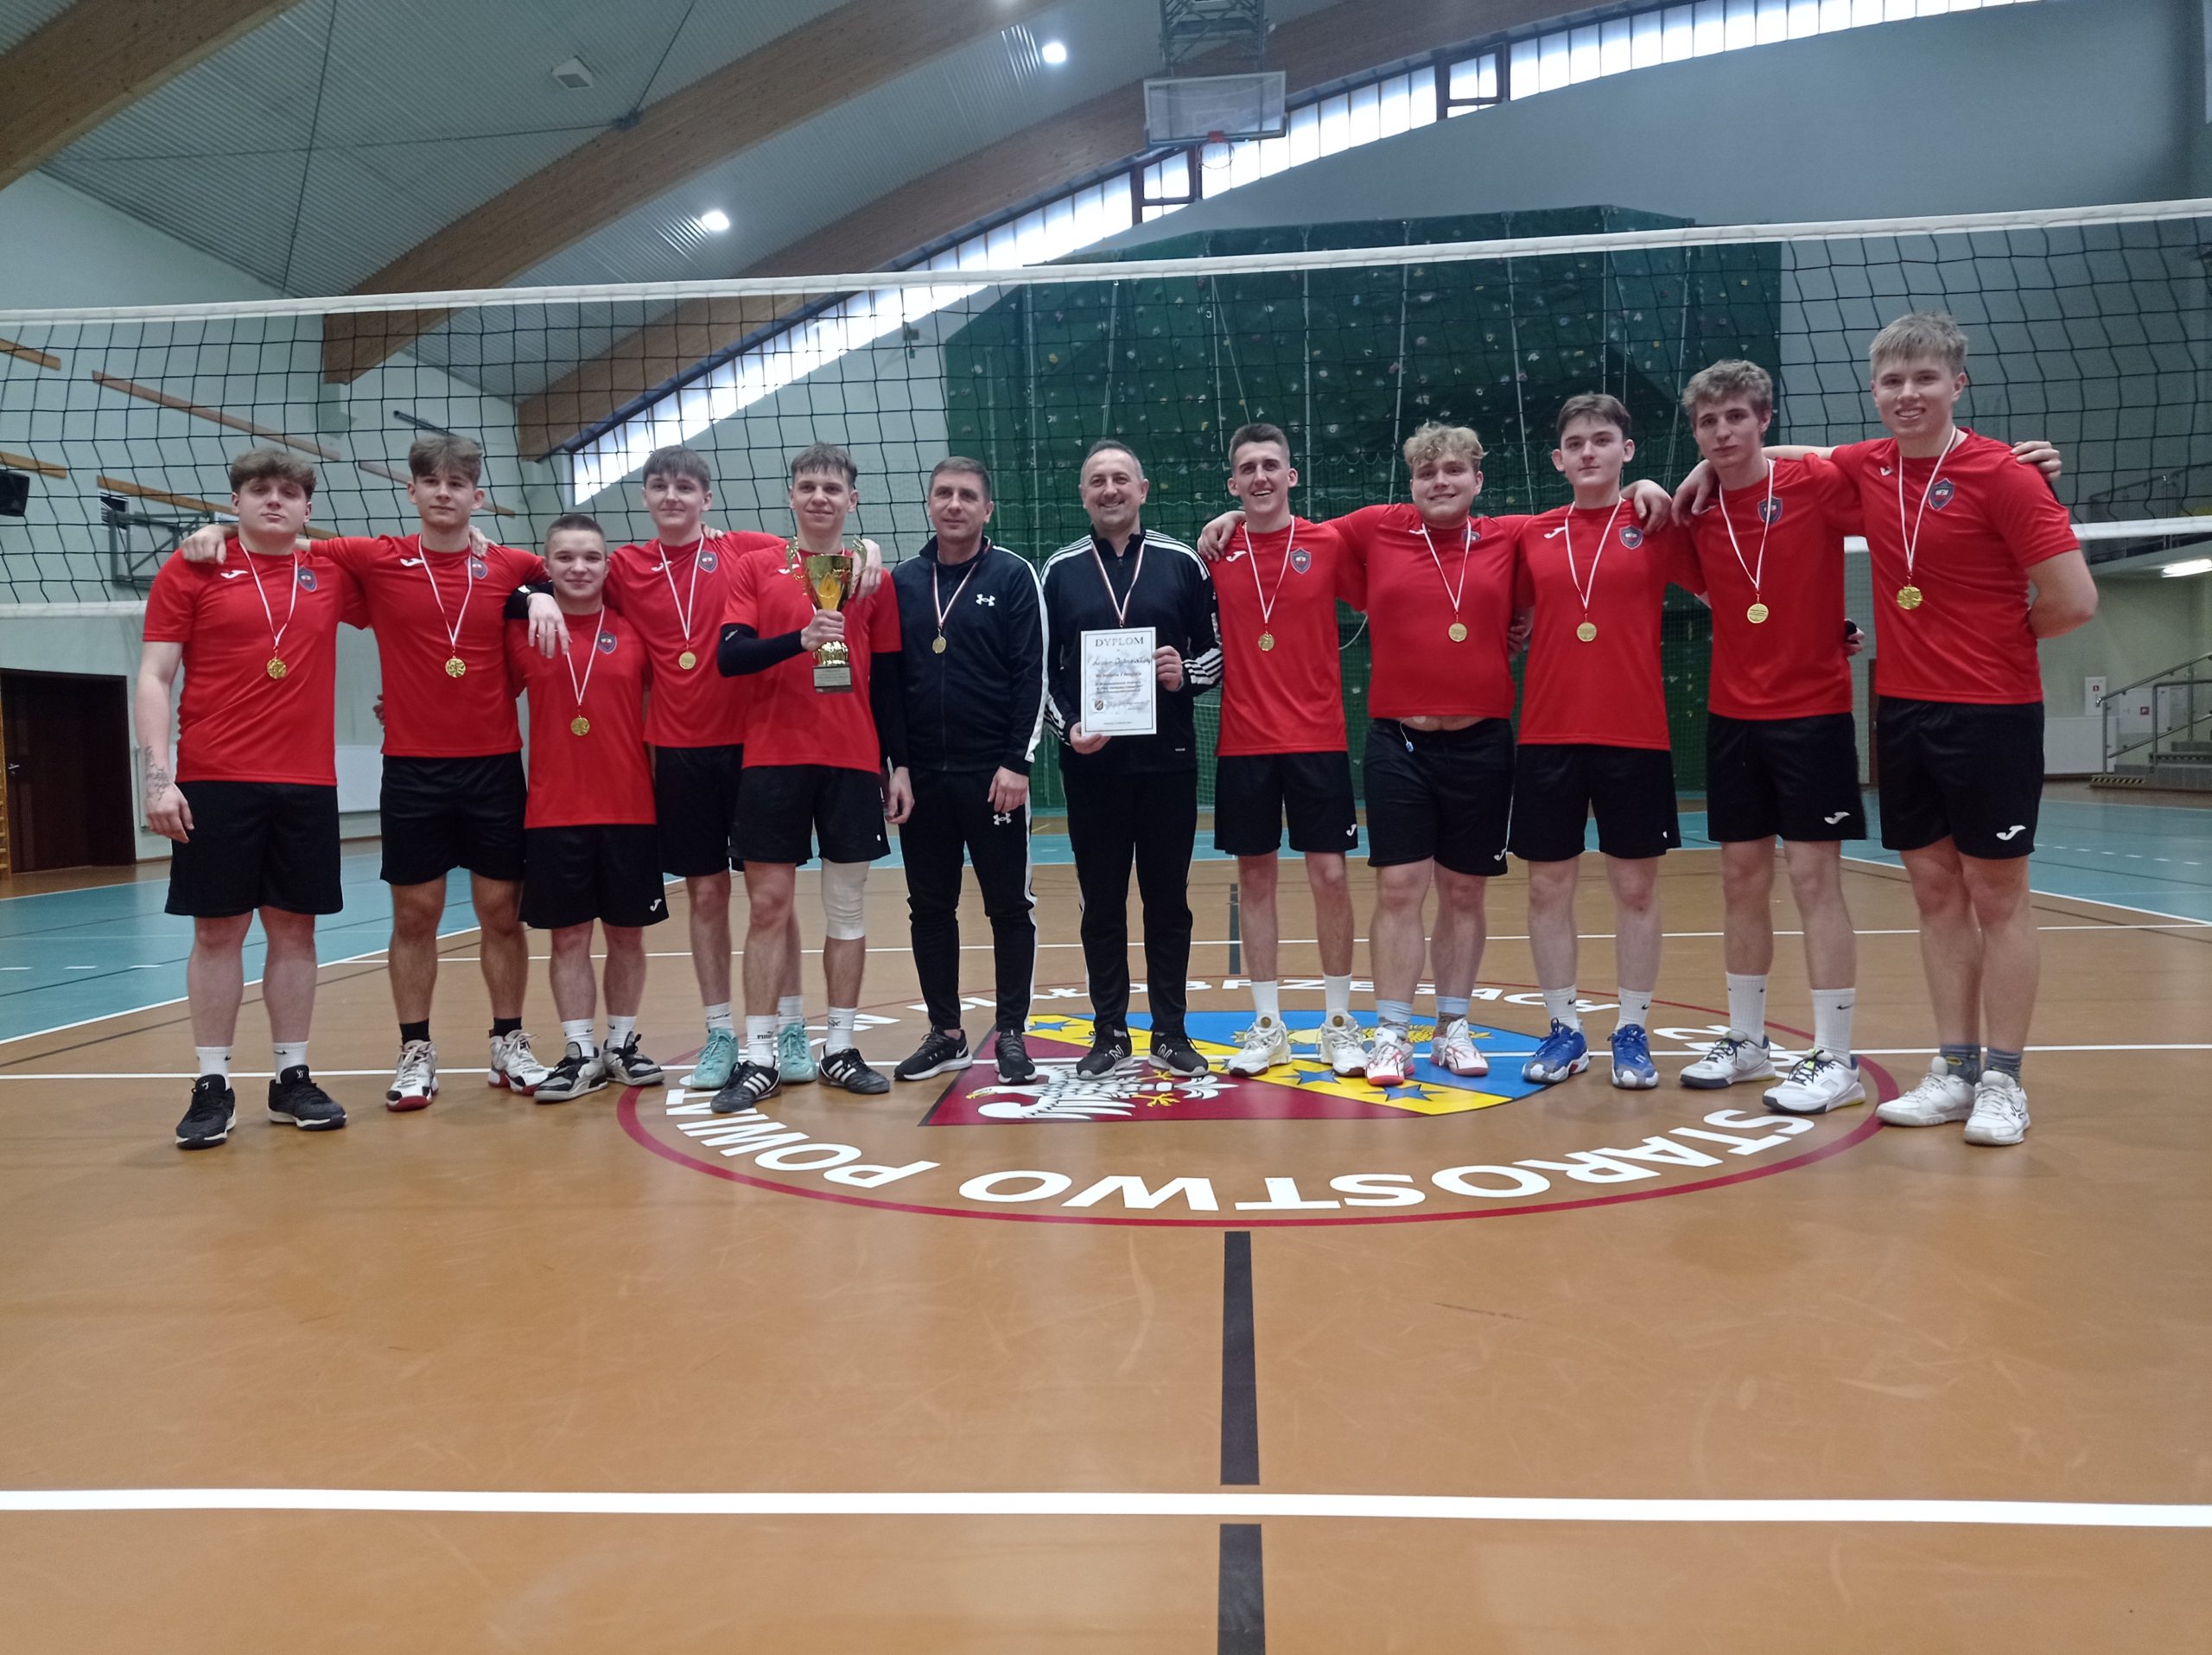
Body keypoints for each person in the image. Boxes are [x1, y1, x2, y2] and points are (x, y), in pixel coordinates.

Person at [1195, 434, 1669, 1088]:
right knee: (1398, 888)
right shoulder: (1374, 527)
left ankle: (1452, 1026)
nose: (1440, 481)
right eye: (1426, 472)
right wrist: (1233, 517)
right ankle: (1392, 1034)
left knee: (1464, 890)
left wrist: (1642, 487)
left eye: (1453, 470)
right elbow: (1281, 526)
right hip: (1400, 741)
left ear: (1478, 480)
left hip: (1483, 740)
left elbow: (1583, 527)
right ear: (1411, 483)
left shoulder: (1513, 534)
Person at [176, 434, 553, 1108]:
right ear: (411, 491)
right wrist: (216, 530)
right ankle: (416, 1049)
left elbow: (582, 571)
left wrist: (539, 594)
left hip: (494, 764)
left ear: (478, 496)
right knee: (416, 914)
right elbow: (279, 538)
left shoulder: (512, 564)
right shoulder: (373, 557)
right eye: (431, 481)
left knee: (502, 911)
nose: (443, 492)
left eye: (457, 483)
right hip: (411, 767)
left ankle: (509, 1039)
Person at [1824, 314, 2094, 1145]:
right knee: (1936, 894)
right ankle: (1955, 1069)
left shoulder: (2006, 475)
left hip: (1992, 712)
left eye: (1925, 379)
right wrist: (1688, 473)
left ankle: (2005, 1081)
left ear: (1957, 385)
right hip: (1904, 712)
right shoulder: (1866, 465)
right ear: (1874, 391)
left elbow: (2075, 599)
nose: (1908, 394)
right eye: (1892, 381)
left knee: (1997, 896)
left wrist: (2004, 640)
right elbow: (1787, 459)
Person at [137, 449, 366, 1149]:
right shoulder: (192, 568)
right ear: (235, 501)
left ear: (307, 508)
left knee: (297, 930)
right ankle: (212, 1083)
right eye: (259, 490)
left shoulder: (332, 573)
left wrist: (485, 547)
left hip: (307, 782)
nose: (274, 500)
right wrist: (158, 775)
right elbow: (154, 675)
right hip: (214, 778)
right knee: (217, 932)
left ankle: (291, 1077)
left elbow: (421, 588)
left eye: (288, 492)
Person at [1672, 360, 1873, 1111]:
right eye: (1708, 422)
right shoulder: (1694, 511)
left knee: (1815, 880)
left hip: (1812, 714)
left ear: (1765, 418)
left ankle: (1836, 1056)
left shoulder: (1815, 484)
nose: (1723, 432)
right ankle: (1748, 1040)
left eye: (1737, 417)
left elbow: (1898, 478)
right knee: (1740, 880)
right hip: (1733, 717)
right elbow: (1707, 583)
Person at [711, 443, 910, 1111]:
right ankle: (761, 1055)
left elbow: (889, 682)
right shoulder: (755, 567)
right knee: (769, 907)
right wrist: (796, 641)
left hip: (851, 759)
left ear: (852, 499)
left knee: (846, 908)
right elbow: (730, 656)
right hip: (772, 758)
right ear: (792, 495)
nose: (819, 496)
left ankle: (841, 1048)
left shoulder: (871, 578)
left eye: (832, 487)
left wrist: (898, 766)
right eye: (808, 486)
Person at [1513, 394, 1702, 1092]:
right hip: (1548, 734)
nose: (1588, 451)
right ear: (1558, 459)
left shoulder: (1657, 522)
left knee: (1635, 887)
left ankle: (1631, 1030)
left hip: (1635, 733)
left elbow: (1730, 585)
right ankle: (1564, 1028)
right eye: (1575, 443)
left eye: (1602, 439)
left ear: (1627, 450)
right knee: (1546, 887)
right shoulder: (1531, 533)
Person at [1041, 440, 1221, 1079]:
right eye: (1097, 481)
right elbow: (1041, 672)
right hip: (1092, 769)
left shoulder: (1182, 562)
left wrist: (1184, 674)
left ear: (1142, 489)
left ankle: (1170, 1032)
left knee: (1168, 902)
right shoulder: (1059, 570)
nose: (1110, 489)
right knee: (1102, 903)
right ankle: (1110, 1032)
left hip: (1168, 763)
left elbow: (1218, 653)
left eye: (1121, 478)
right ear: (1083, 495)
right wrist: (1069, 729)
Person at [1205, 423, 1365, 1080]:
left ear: (1291, 476)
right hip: (1245, 741)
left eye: (1271, 465)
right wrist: (1221, 525)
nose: (1261, 476)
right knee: (1256, 879)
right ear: (1234, 484)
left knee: (1331, 877)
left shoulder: (1328, 543)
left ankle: (1338, 1022)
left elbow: (1393, 584)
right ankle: (1268, 1025)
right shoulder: (1216, 551)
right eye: (1248, 468)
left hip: (1318, 738)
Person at [886, 458, 1046, 1086]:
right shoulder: (902, 581)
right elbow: (888, 684)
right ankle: (946, 1035)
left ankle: (1011, 1035)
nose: (955, 504)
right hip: (923, 779)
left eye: (968, 496)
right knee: (929, 907)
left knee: (1009, 907)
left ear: (987, 508)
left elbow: (1030, 673)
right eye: (944, 494)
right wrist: (897, 766)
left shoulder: (1013, 575)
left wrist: (1017, 762)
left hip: (993, 776)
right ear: (929, 503)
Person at [505, 515, 666, 1100]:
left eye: (592, 557)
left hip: (630, 810)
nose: (579, 567)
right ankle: (579, 1052)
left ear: (607, 565)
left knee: (627, 936)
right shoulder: (520, 631)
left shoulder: (635, 630)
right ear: (546, 566)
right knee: (568, 937)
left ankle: (620, 1045)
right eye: (566, 557)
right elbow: (472, 686)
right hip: (553, 812)